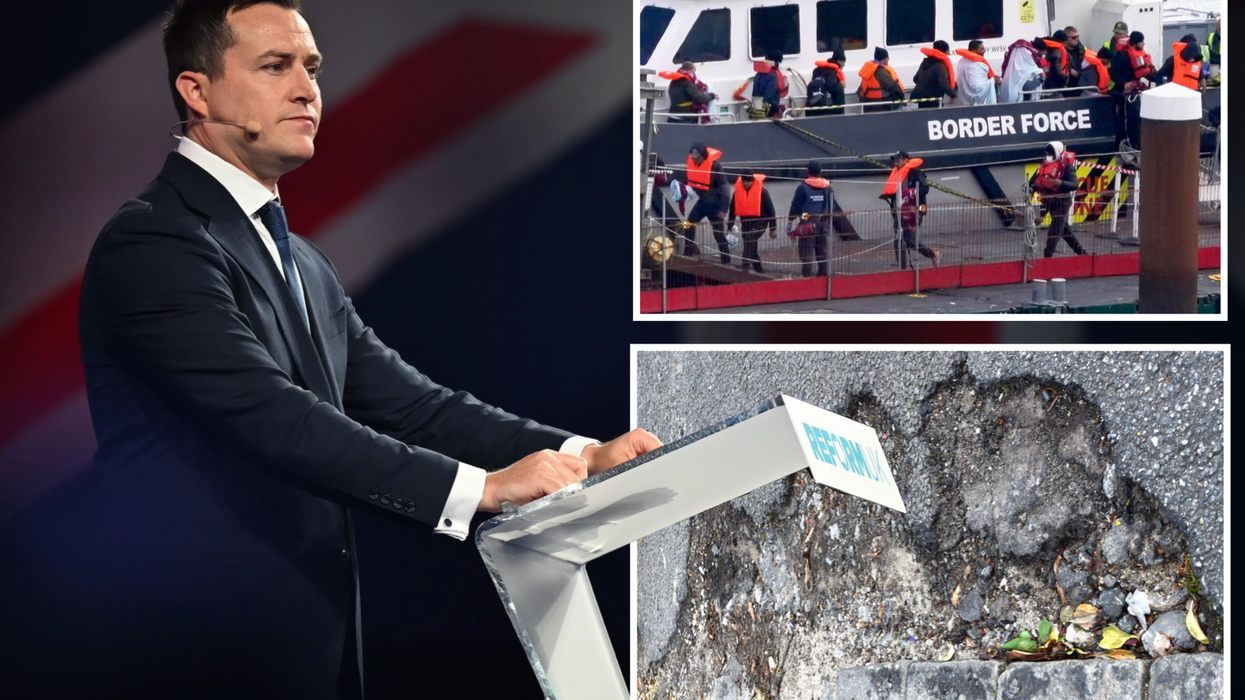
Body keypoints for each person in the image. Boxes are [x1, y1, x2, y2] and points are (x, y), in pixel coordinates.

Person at [48, 2, 665, 697]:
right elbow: (272, 416)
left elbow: (413, 406)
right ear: (197, 91)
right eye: (274, 66)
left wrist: (583, 458)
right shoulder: (156, 242)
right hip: (196, 654)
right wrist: (481, 490)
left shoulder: (302, 260)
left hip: (313, 648)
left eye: (310, 67)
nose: (307, 88)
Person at [880, 152, 940, 269]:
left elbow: (925, 189)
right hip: (899, 211)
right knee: (898, 239)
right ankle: (902, 268)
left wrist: (911, 193)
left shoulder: (916, 173)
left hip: (914, 210)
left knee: (910, 240)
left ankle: (933, 254)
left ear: (906, 160)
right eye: (895, 161)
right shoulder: (898, 175)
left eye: (898, 161)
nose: (895, 163)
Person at [1028, 141, 1087, 258]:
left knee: (1054, 231)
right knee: (1064, 231)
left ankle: (1047, 255)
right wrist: (1031, 188)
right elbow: (1037, 181)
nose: (1048, 156)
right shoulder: (1044, 165)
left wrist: (1060, 183)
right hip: (1049, 202)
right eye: (1047, 153)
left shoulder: (1067, 167)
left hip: (1062, 202)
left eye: (1051, 153)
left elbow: (1074, 184)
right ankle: (1082, 253)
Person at [682, 141, 731, 262]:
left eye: (697, 158)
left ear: (703, 156)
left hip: (716, 205)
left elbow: (725, 190)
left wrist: (723, 210)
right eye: (693, 158)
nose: (694, 160)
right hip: (703, 202)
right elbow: (692, 183)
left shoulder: (716, 168)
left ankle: (726, 260)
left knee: (718, 234)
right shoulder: (693, 165)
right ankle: (688, 253)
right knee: (688, 225)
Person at [788, 161, 833, 277]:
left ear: (808, 172)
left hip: (807, 226)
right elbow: (830, 207)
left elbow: (795, 207)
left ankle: (807, 279)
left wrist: (790, 222)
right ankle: (823, 279)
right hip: (823, 224)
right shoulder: (828, 188)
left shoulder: (802, 188)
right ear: (820, 172)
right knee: (822, 254)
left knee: (806, 256)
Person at [727, 173, 776, 273]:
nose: (745, 183)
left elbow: (771, 211)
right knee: (751, 247)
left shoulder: (763, 193)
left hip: (760, 223)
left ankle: (744, 269)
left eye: (748, 181)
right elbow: (732, 210)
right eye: (744, 181)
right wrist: (729, 226)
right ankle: (760, 270)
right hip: (746, 224)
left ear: (753, 181)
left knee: (749, 241)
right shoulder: (737, 193)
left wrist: (772, 229)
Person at [911, 40, 958, 109]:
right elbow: (943, 83)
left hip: (921, 98)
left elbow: (915, 79)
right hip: (935, 99)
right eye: (948, 51)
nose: (948, 53)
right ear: (944, 51)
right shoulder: (940, 66)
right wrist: (953, 95)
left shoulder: (924, 62)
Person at [1000, 38, 1047, 103]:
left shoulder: (1013, 72)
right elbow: (1027, 87)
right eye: (1041, 55)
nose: (1040, 57)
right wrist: (1041, 79)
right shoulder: (1028, 70)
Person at [858, 47, 905, 112]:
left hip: (868, 105)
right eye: (887, 57)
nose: (888, 59)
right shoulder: (880, 71)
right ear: (883, 59)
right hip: (882, 105)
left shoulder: (868, 70)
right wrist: (902, 97)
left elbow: (860, 90)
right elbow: (892, 86)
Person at [954, 40, 1000, 105]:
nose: (984, 51)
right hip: (975, 104)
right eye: (981, 49)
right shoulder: (975, 65)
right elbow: (976, 87)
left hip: (963, 100)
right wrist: (993, 81)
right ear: (974, 51)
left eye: (984, 49)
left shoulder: (962, 61)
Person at [807, 49, 847, 115]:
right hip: (829, 109)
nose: (844, 65)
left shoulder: (817, 69)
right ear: (839, 61)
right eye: (844, 62)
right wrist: (841, 86)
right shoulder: (833, 71)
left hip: (813, 106)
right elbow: (831, 86)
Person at [752, 51, 788, 118]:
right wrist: (778, 109)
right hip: (770, 112)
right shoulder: (772, 76)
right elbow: (768, 97)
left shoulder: (758, 74)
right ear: (776, 63)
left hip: (758, 111)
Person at [1101, 21, 1131, 92]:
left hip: (1129, 85)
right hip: (1111, 85)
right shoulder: (1107, 45)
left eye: (1120, 34)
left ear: (1126, 33)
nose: (1117, 36)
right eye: (1116, 33)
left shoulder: (1132, 46)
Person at [1207, 18, 1221, 83]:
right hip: (1214, 68)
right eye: (1219, 29)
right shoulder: (1211, 37)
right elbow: (1207, 52)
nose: (1220, 31)